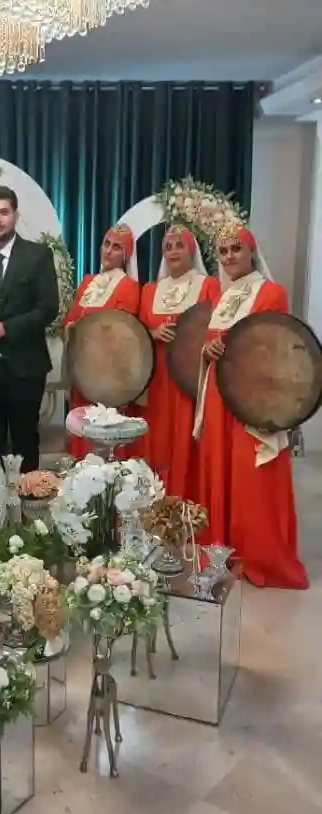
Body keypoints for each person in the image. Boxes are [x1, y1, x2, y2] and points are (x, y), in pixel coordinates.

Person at [194, 225, 308, 590]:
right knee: (221, 468)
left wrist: (233, 348)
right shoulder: (222, 296)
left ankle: (258, 554)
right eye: (224, 251)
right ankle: (222, 548)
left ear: (252, 252)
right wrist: (207, 350)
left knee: (251, 474)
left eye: (236, 249)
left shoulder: (271, 292)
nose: (229, 256)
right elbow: (209, 343)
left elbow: (274, 345)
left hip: (252, 395)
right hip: (218, 394)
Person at [0, 185, 59, 473]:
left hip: (25, 368)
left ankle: (28, 499)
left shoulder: (38, 255)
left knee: (24, 442)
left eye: (3, 212)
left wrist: (7, 328)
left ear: (15, 215)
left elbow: (48, 309)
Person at [138, 224, 220, 497]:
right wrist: (152, 333)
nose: (173, 251)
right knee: (159, 439)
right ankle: (157, 501)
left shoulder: (208, 285)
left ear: (191, 251)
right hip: (158, 378)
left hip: (190, 377)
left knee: (188, 436)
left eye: (179, 245)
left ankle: (187, 500)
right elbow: (135, 332)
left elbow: (215, 326)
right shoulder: (149, 290)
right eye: (168, 247)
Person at [64, 224, 140, 459]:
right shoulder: (88, 282)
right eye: (106, 243)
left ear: (126, 255)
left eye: (116, 247)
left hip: (108, 376)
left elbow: (122, 331)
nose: (108, 250)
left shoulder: (129, 287)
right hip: (81, 371)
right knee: (81, 430)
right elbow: (70, 320)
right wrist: (72, 329)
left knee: (105, 436)